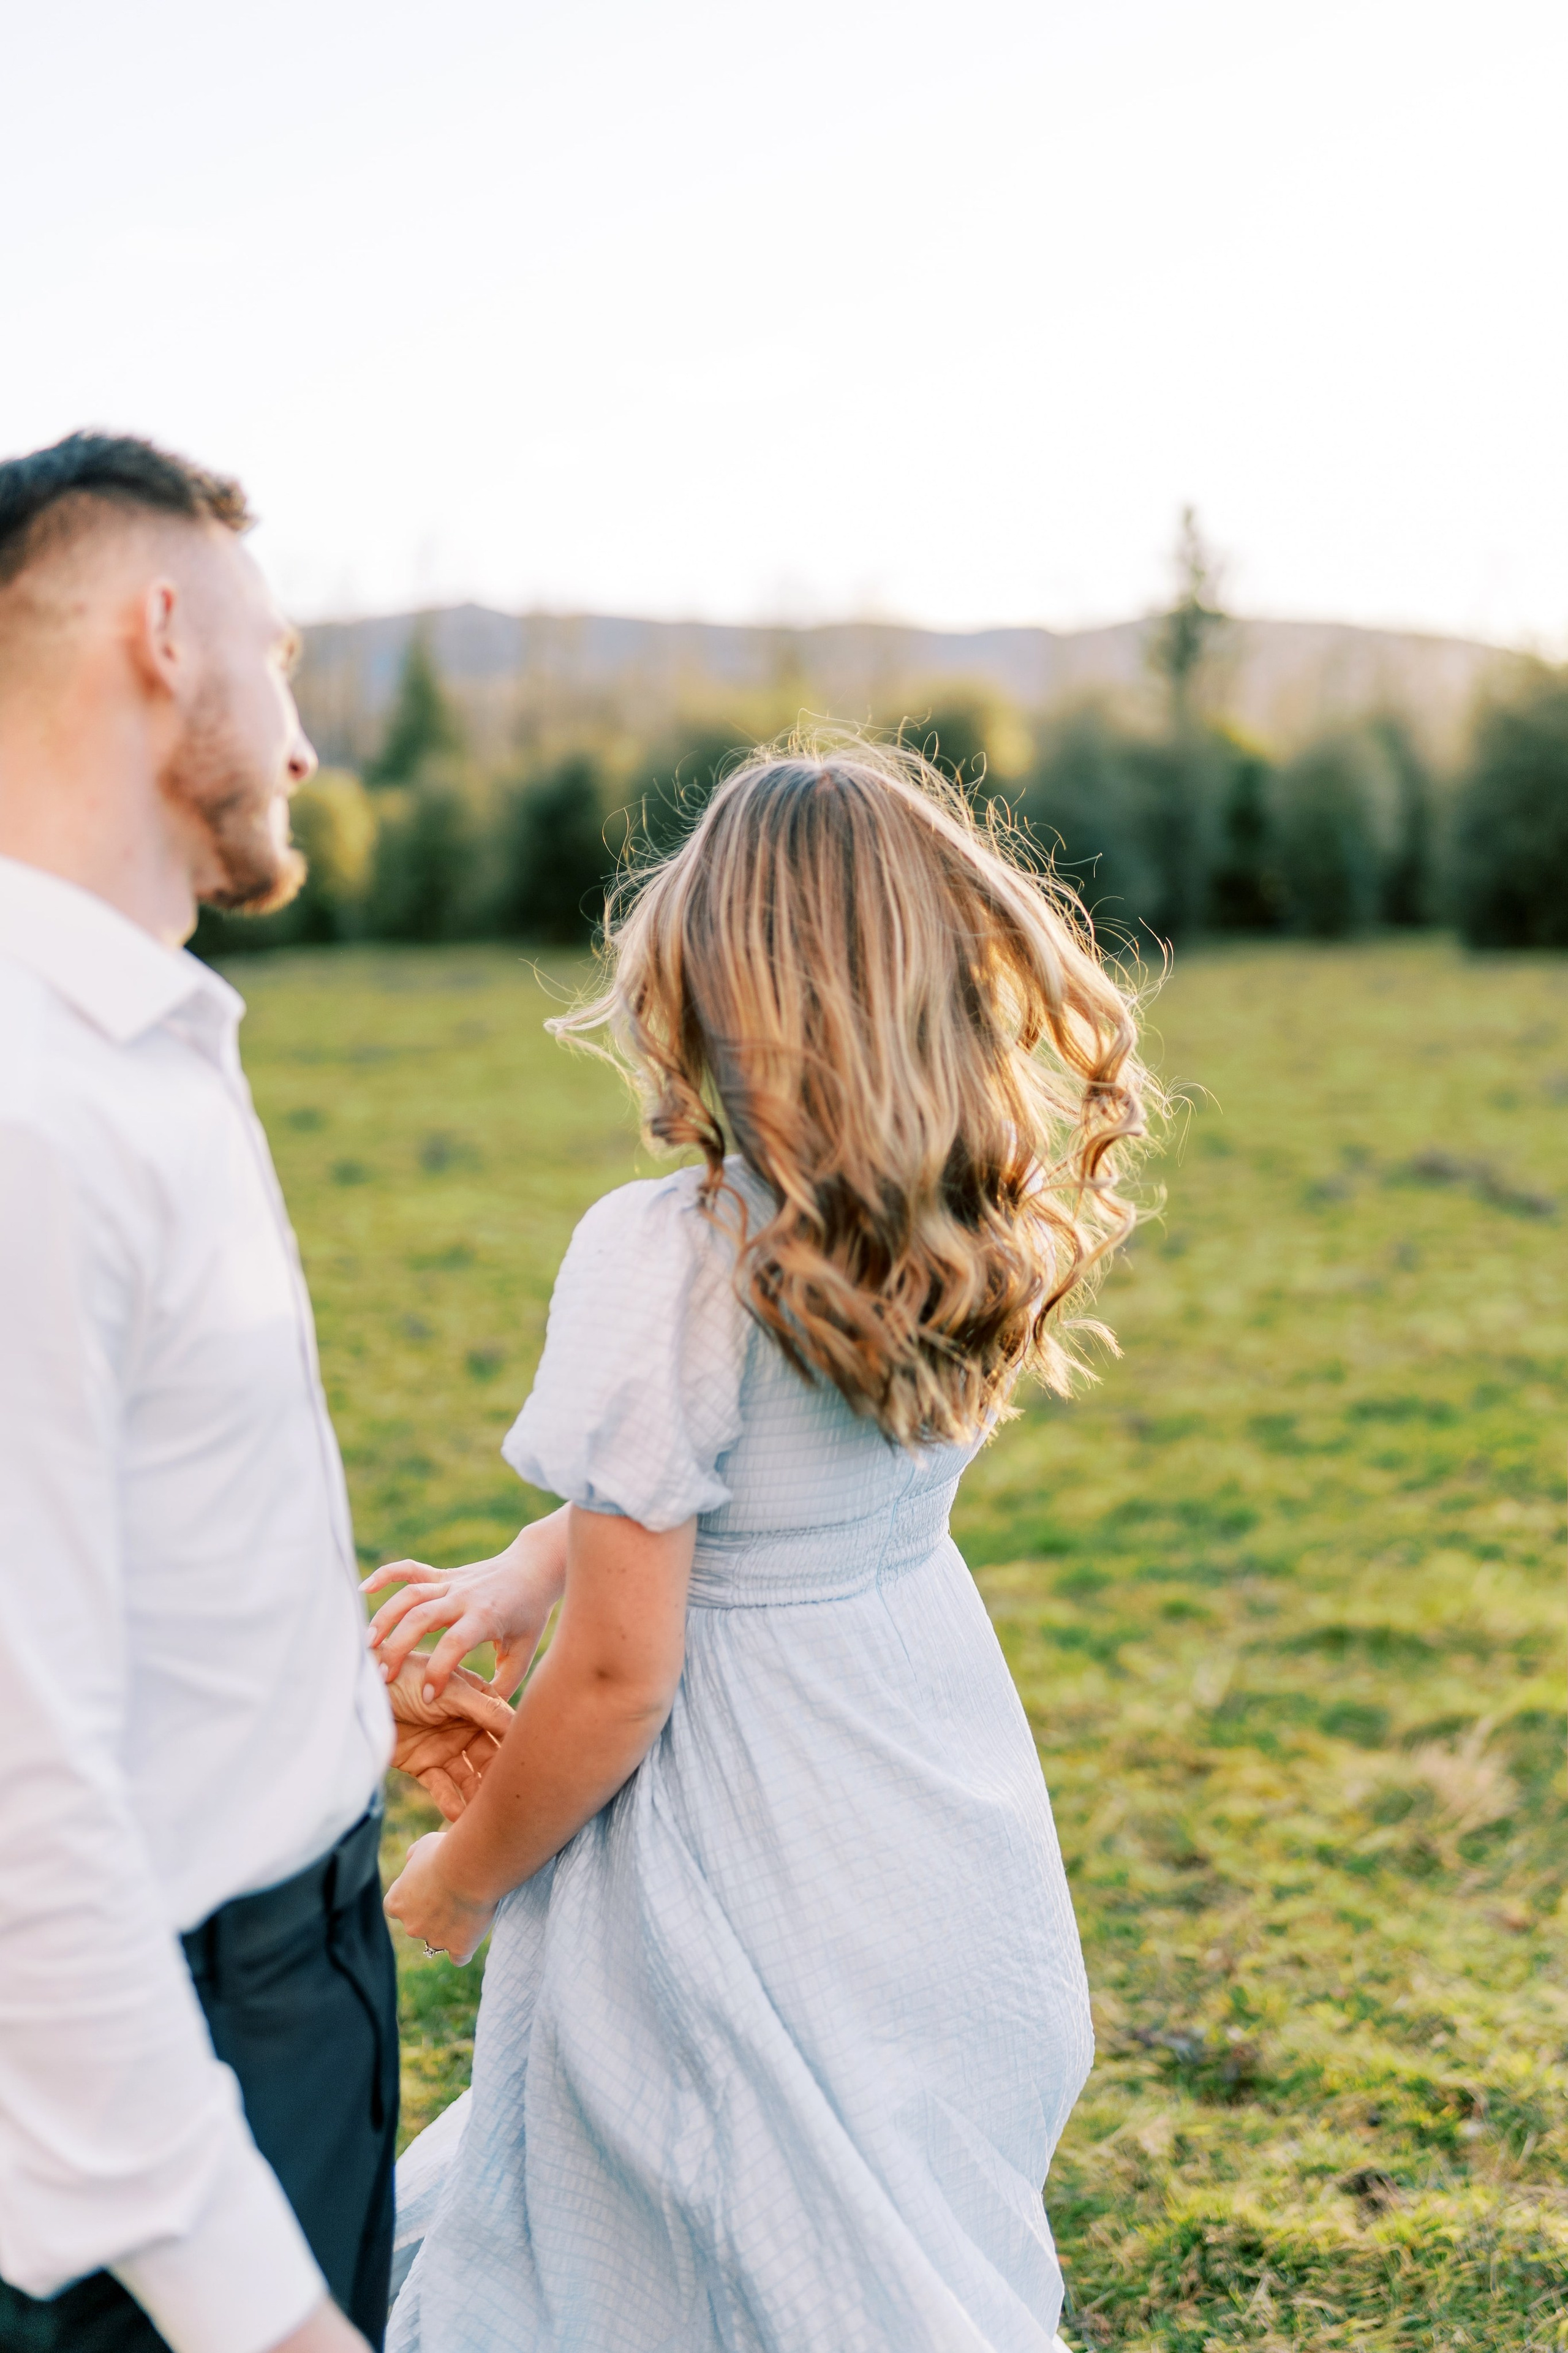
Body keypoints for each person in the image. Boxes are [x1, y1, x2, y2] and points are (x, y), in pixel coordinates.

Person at [366, 743, 1152, 2352]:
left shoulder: (667, 1254)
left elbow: (619, 1674)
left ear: (711, 986)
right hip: (918, 1789)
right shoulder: (963, 1230)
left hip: (728, 1829)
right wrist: (538, 1559)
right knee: (880, 2188)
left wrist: (460, 1878)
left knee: (689, 2208)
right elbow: (770, 1510)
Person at [0, 433, 401, 2353]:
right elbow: (17, 1771)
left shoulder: (135, 1034)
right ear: (165, 630)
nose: (302, 741)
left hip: (299, 1975)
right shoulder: (24, 1104)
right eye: (282, 656)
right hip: (164, 2102)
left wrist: (329, 1702)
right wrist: (248, 2301)